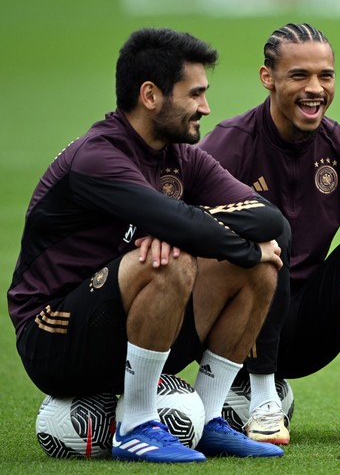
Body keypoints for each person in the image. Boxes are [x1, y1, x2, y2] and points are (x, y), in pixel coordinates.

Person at [8, 28, 291, 462]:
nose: (206, 108)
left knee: (260, 266)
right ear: (150, 95)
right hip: (54, 335)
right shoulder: (98, 155)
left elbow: (271, 219)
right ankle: (135, 424)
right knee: (166, 258)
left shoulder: (181, 156)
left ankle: (210, 418)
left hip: (135, 321)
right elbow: (178, 226)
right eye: (194, 94)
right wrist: (193, 231)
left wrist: (214, 237)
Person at [198, 22, 340, 443]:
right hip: (232, 326)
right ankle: (263, 404)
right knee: (270, 227)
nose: (315, 88)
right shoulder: (228, 147)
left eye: (326, 75)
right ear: (268, 78)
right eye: (299, 75)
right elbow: (179, 227)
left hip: (306, 328)